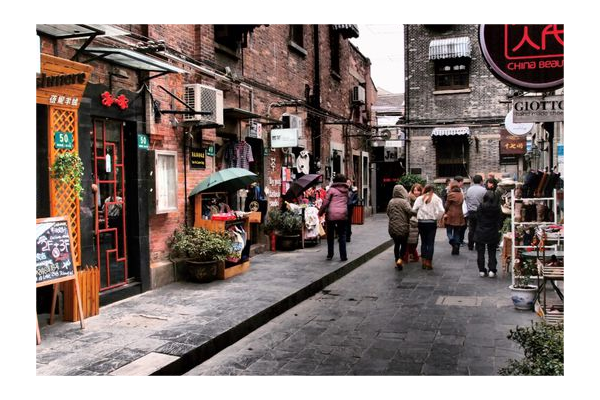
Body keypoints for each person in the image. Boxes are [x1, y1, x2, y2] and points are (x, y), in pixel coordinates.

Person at [412, 184, 445, 270]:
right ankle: (429, 263)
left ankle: (423, 262)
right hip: (431, 223)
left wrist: (419, 214)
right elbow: (442, 210)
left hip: (421, 222)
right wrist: (437, 218)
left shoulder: (420, 198)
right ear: (433, 190)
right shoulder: (437, 199)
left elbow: (413, 209)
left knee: (424, 242)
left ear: (424, 190)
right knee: (430, 243)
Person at [318, 173, 349, 261]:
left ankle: (330, 254)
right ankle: (343, 256)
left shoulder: (331, 190)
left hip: (331, 214)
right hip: (343, 214)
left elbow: (325, 203)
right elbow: (348, 201)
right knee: (342, 235)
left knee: (330, 235)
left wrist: (320, 213)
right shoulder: (346, 190)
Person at [474, 190, 503, 278]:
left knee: (480, 252)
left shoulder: (480, 206)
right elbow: (500, 220)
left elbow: (477, 218)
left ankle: (482, 270)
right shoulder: (497, 207)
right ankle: (492, 270)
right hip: (492, 231)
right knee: (492, 252)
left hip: (481, 231)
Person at [386, 184, 416, 270]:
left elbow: (388, 213)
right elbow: (410, 211)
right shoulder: (404, 202)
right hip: (403, 227)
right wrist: (417, 212)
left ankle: (396, 260)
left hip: (393, 228)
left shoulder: (391, 201)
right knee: (404, 244)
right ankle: (400, 259)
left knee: (396, 244)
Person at [464, 174, 486, 251]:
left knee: (471, 229)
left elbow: (467, 200)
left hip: (471, 211)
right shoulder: (484, 190)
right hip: (480, 211)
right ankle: (478, 245)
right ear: (481, 181)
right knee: (479, 228)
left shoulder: (469, 189)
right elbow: (485, 201)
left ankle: (470, 245)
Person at [444, 181, 466, 255]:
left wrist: (445, 212)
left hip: (451, 214)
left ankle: (453, 242)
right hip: (459, 214)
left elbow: (447, 205)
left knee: (449, 232)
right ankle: (456, 250)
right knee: (457, 232)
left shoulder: (450, 194)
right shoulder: (461, 194)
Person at [405, 183, 422, 262]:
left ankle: (412, 253)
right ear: (412, 191)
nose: (416, 192)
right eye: (415, 190)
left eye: (418, 190)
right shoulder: (409, 198)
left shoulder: (422, 199)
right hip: (412, 221)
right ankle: (411, 253)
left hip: (420, 220)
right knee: (411, 238)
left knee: (416, 238)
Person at [454, 175, 467, 245]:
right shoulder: (454, 190)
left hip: (464, 211)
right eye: (462, 181)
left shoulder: (461, 189)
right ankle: (458, 241)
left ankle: (461, 240)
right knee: (459, 227)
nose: (463, 183)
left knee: (464, 226)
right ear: (458, 182)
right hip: (458, 211)